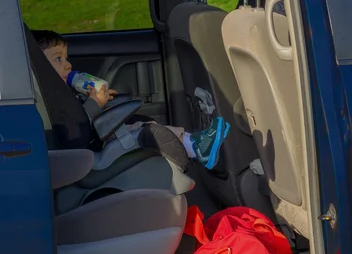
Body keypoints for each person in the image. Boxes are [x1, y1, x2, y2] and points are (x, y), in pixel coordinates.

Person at [32, 30, 228, 171]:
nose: (68, 65)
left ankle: (193, 144)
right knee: (150, 131)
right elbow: (74, 129)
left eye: (66, 58)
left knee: (142, 122)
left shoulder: (59, 93)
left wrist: (100, 101)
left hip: (96, 138)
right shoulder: (46, 100)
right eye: (58, 59)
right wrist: (93, 105)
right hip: (90, 149)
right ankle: (195, 147)